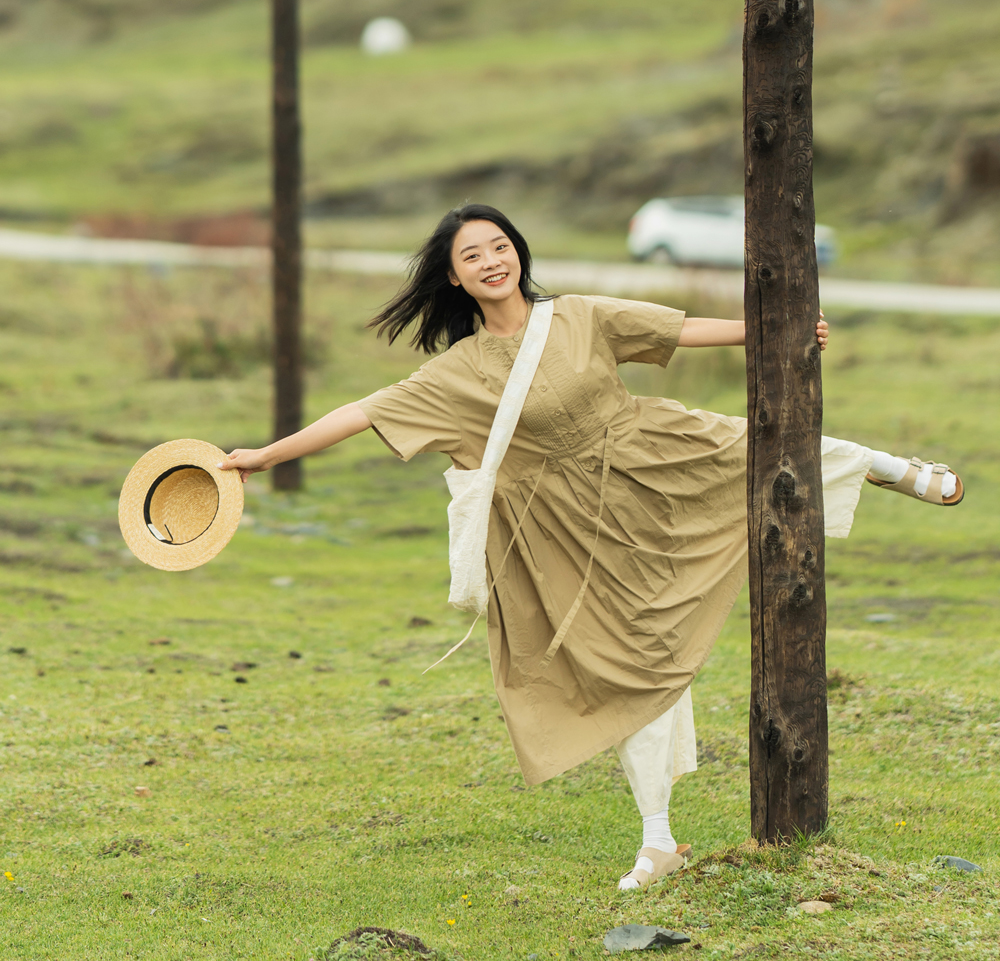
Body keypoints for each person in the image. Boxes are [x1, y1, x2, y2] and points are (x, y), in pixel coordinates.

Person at [220, 204, 963, 891]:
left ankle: (896, 470)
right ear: (453, 276)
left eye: (500, 247)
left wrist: (777, 329)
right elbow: (362, 411)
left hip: (654, 451)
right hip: (579, 526)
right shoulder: (455, 374)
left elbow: (676, 329)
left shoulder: (575, 317)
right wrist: (266, 455)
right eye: (472, 255)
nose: (490, 262)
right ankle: (658, 841)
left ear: (518, 253)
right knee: (633, 663)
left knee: (766, 449)